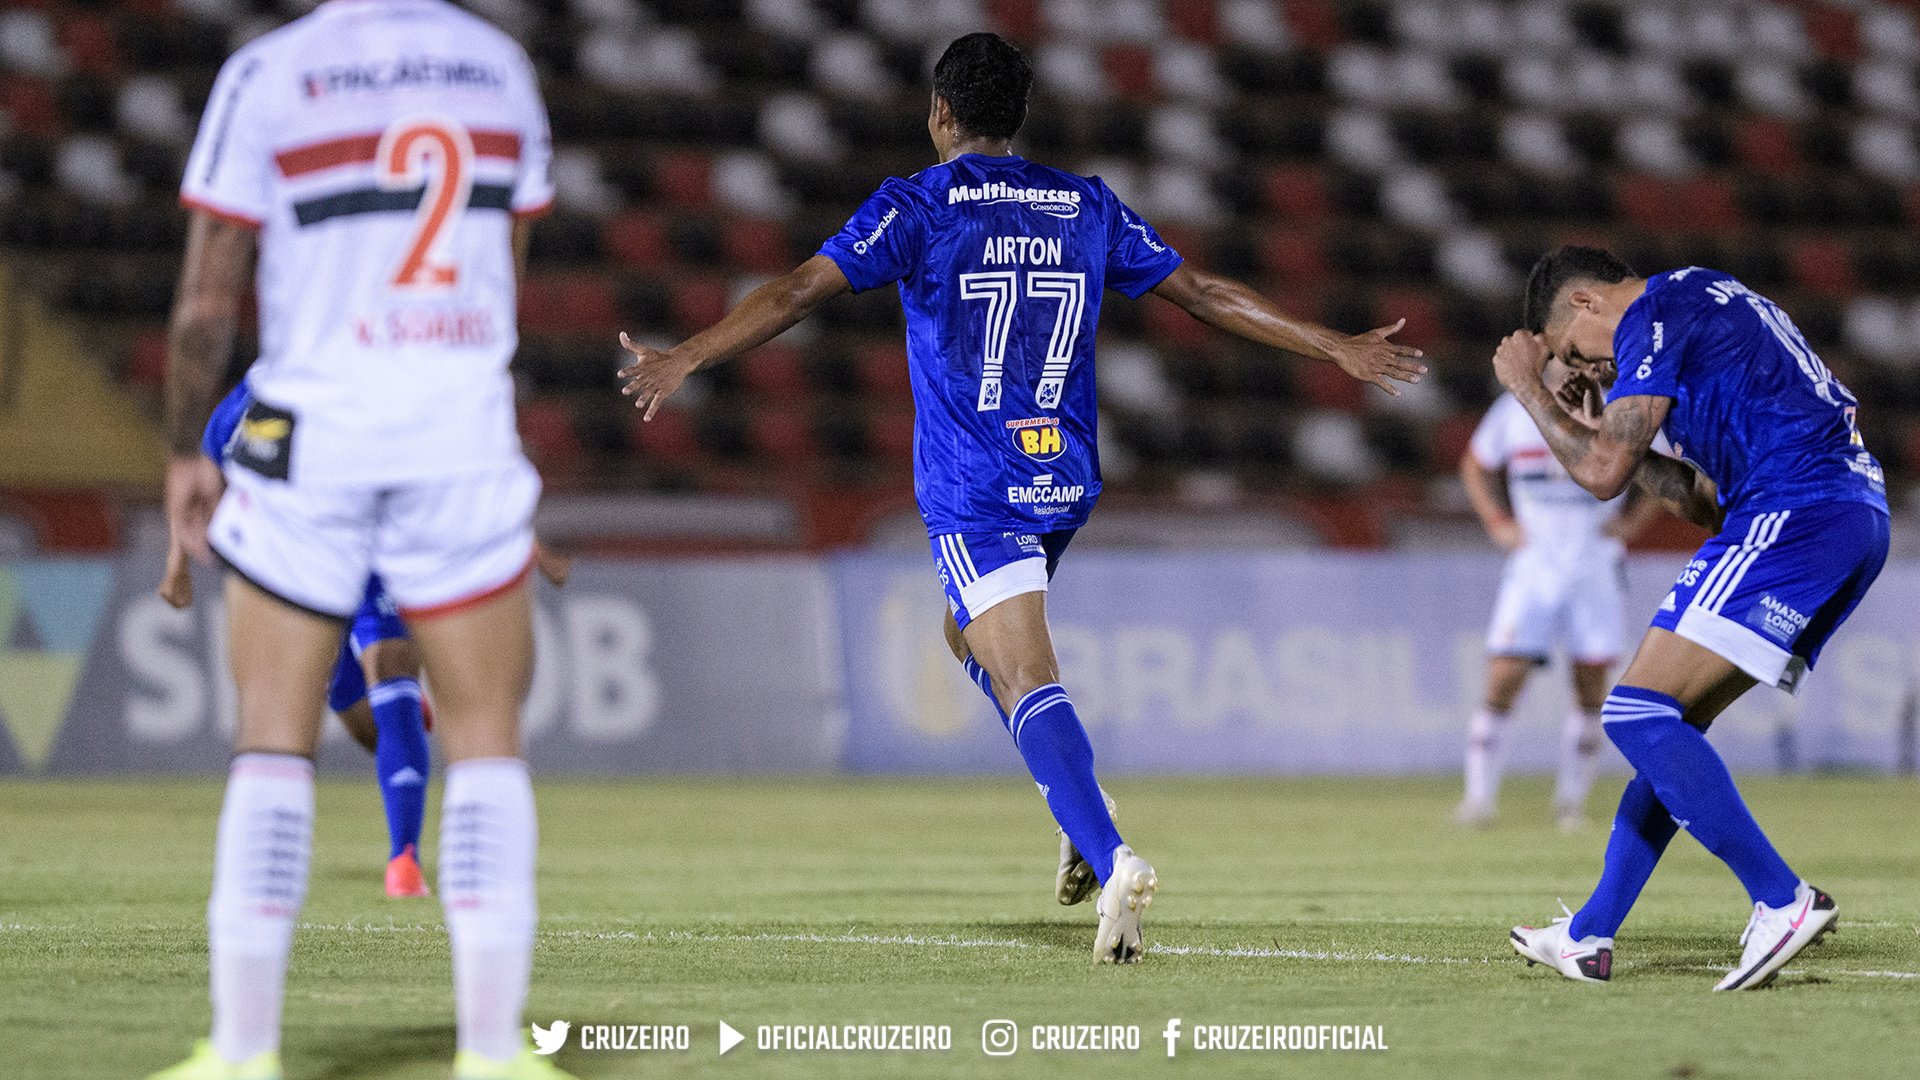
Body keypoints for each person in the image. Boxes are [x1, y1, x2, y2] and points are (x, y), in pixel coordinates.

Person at [618, 32, 1425, 963]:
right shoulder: (1084, 204)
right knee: (964, 635)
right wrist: (1332, 344)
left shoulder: (918, 204)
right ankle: (1079, 806)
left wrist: (689, 355)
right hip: (1064, 475)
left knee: (1025, 675)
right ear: (1020, 116)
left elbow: (799, 291)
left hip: (977, 486)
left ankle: (1111, 853)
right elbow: (1203, 291)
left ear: (941, 113)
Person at [151, 0, 574, 1076]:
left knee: (270, 735)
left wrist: (186, 451)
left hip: (316, 434)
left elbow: (206, 302)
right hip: (454, 430)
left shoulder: (270, 72)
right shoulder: (499, 67)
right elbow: (503, 265)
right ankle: (494, 1052)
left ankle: (241, 1051)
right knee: (486, 735)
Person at [1495, 247, 1888, 991]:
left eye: (1572, 352)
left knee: (1635, 712)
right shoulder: (1696, 307)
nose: (1587, 367)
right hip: (1839, 515)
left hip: (1797, 512)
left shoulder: (1653, 312)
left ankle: (1782, 899)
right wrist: (1604, 424)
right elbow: (1703, 503)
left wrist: (1528, 389)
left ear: (1584, 303)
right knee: (1667, 724)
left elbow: (1600, 475)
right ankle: (1588, 934)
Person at [158, 384, 575, 900]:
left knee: (391, 668)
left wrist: (529, 547)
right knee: (364, 722)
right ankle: (400, 721)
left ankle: (405, 859)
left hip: (382, 555)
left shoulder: (386, 383)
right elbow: (202, 477)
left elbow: (458, 479)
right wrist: (177, 563)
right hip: (306, 564)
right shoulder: (259, 397)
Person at [1456, 359, 1660, 831]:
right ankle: (1478, 800)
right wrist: (1497, 521)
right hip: (1534, 567)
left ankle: (1571, 804)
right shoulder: (1513, 411)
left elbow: (1659, 467)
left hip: (1594, 565)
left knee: (1590, 688)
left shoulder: (1615, 409)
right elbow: (1474, 464)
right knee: (1503, 678)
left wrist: (1632, 523)